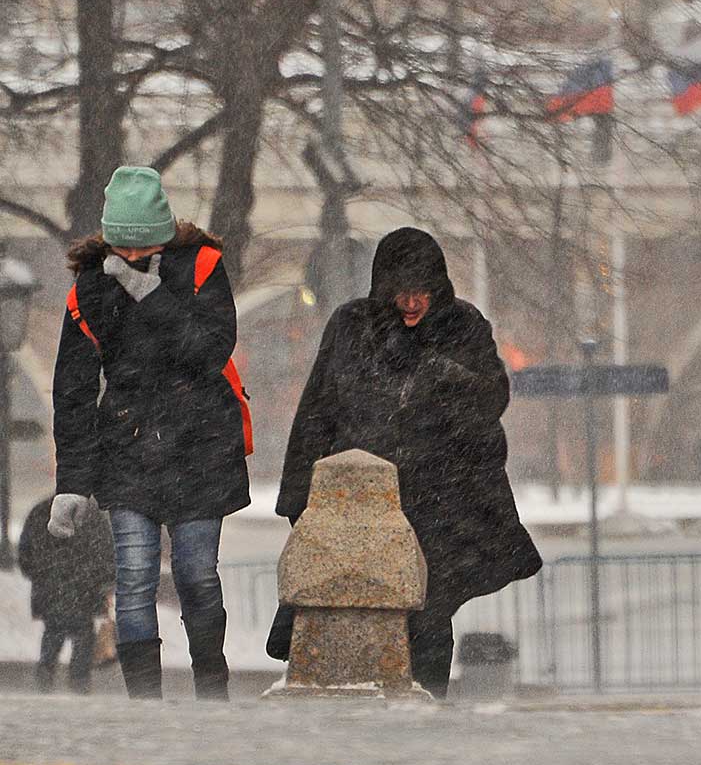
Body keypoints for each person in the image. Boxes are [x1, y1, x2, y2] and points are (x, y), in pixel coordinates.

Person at [273, 227, 542, 697]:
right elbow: (317, 411)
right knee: (356, 602)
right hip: (364, 502)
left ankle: (427, 704)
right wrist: (299, 495)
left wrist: (443, 377)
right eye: (402, 293)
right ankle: (366, 699)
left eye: (422, 293)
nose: (413, 304)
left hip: (441, 500)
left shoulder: (463, 326)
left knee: (429, 611)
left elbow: (491, 397)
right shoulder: (351, 326)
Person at [49, 166, 251, 700]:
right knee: (134, 580)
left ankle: (212, 687)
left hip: (201, 445)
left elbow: (210, 351)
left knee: (196, 576)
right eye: (124, 250)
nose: (133, 260)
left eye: (144, 250)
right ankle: (145, 702)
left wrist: (151, 294)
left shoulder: (204, 267)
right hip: (128, 447)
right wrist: (71, 482)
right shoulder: (87, 291)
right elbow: (72, 392)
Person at [17, 495, 114, 694]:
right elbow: (107, 553)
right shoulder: (92, 515)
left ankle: (45, 677)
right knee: (83, 635)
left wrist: (41, 575)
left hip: (51, 588)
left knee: (53, 632)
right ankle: (79, 682)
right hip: (84, 589)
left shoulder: (42, 511)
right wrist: (102, 581)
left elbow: (25, 553)